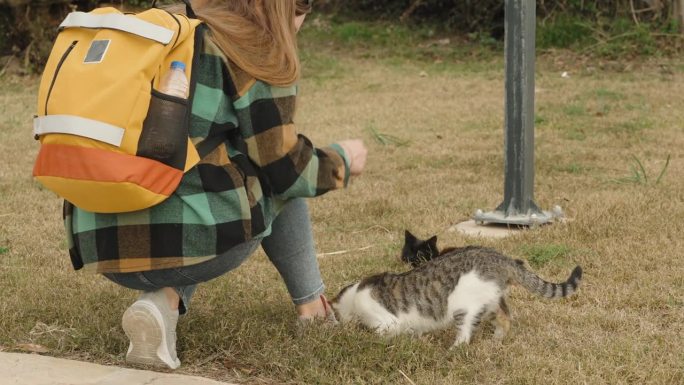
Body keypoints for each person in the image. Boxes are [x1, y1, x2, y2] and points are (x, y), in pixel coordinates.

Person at [63, 0, 367, 370]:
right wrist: (342, 162)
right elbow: (286, 170)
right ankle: (313, 308)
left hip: (99, 243)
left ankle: (162, 303)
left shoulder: (161, 24)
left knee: (211, 165)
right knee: (275, 176)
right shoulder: (253, 46)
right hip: (183, 244)